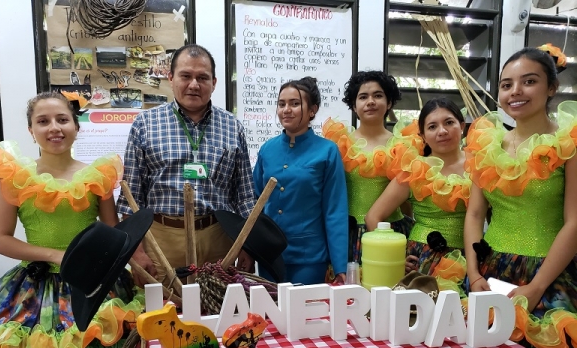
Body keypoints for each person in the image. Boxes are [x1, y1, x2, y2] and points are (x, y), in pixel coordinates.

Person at [0, 92, 141, 348]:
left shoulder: (97, 176)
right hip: (36, 288)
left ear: (76, 126)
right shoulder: (15, 177)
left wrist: (132, 262)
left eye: (62, 119)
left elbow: (111, 236)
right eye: (44, 121)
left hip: (83, 284)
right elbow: (0, 240)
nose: (54, 128)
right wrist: (54, 252)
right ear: (31, 129)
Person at [464, 47, 577, 348]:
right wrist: (473, 274)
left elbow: (574, 221)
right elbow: (473, 215)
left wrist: (538, 286)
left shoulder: (568, 143)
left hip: (549, 273)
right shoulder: (486, 146)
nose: (515, 92)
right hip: (490, 271)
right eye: (506, 84)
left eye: (529, 81)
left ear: (551, 88)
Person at [117, 44, 256, 287]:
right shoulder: (145, 125)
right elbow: (131, 198)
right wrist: (136, 253)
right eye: (186, 76)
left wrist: (249, 246)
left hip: (218, 238)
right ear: (171, 78)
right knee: (163, 316)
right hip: (161, 240)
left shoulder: (233, 127)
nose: (194, 84)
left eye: (202, 78)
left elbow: (244, 196)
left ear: (213, 82)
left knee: (218, 313)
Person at [365, 98, 470, 294]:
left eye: (449, 122)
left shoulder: (480, 164)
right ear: (422, 135)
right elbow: (373, 216)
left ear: (462, 126)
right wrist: (394, 257)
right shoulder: (414, 170)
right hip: (424, 261)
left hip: (472, 261)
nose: (442, 131)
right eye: (432, 126)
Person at [253, 77, 348, 285]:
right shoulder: (267, 150)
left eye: (295, 104)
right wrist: (250, 250)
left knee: (308, 315)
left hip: (310, 257)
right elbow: (255, 205)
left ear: (312, 110)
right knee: (268, 316)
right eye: (281, 104)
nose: (286, 109)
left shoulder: (327, 151)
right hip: (269, 256)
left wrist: (340, 265)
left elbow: (335, 210)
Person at [323, 71, 418, 257]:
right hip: (347, 234)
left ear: (389, 103)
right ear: (353, 106)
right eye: (363, 97)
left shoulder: (404, 146)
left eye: (378, 95)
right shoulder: (338, 145)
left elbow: (407, 202)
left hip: (390, 233)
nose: (371, 101)